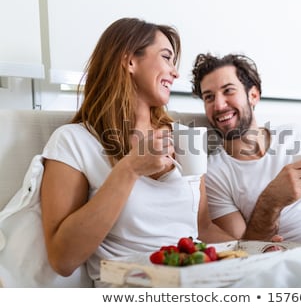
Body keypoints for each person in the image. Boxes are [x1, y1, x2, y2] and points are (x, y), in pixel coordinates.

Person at [39, 18, 234, 284]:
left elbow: (204, 228)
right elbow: (63, 259)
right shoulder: (74, 141)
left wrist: (259, 250)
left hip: (198, 280)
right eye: (166, 57)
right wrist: (129, 169)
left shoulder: (183, 136)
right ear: (130, 61)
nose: (175, 73)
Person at [190, 53, 301, 244]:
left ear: (253, 95)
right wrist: (272, 200)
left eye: (228, 91)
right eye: (209, 97)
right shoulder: (214, 174)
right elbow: (244, 250)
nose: (218, 105)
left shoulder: (295, 135)